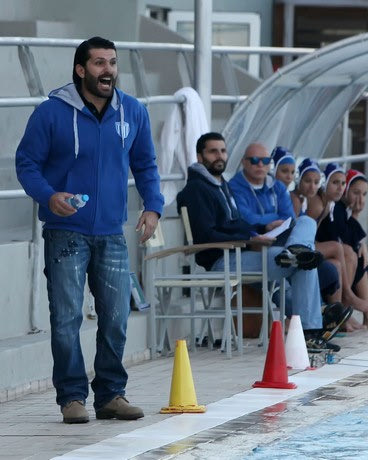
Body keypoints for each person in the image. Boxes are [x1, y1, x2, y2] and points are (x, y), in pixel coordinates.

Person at [15, 37, 163, 424]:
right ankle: (71, 397)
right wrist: (48, 196)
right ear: (81, 69)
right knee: (67, 318)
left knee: (116, 317)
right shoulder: (51, 112)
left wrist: (153, 206)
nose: (108, 69)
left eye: (112, 62)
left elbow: (146, 164)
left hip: (112, 232)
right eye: (99, 63)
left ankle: (111, 394)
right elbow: (27, 163)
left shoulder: (133, 111)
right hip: (65, 231)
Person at [176, 133, 349, 352]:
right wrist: (249, 238)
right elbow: (206, 235)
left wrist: (259, 231)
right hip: (224, 259)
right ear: (200, 157)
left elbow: (238, 223)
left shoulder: (220, 185)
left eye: (222, 150)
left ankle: (296, 252)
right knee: (304, 260)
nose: (219, 156)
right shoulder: (196, 190)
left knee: (305, 227)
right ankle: (312, 329)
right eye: (212, 151)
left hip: (245, 252)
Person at [316, 166, 368, 329]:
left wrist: (361, 244)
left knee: (359, 253)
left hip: (331, 255)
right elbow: (341, 239)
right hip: (325, 257)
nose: (360, 199)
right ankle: (357, 310)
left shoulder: (338, 208)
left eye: (364, 194)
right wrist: (355, 218)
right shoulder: (335, 208)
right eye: (356, 193)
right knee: (352, 253)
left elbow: (345, 237)